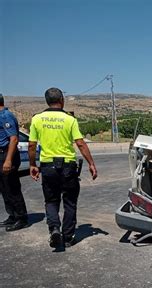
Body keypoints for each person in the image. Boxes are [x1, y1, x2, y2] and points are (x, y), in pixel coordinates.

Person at [28, 88, 98, 248]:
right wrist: (91, 164)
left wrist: (32, 165)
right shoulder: (69, 119)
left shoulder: (37, 119)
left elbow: (32, 145)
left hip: (47, 166)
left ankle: (54, 229)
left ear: (47, 101)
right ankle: (68, 236)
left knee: (51, 201)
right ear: (62, 99)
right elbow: (80, 143)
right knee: (70, 202)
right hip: (68, 167)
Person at [0, 94, 28, 231]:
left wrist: (8, 160)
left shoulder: (6, 116)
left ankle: (21, 218)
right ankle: (12, 215)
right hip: (1, 154)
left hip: (6, 154)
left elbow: (14, 139)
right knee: (4, 188)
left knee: (12, 187)